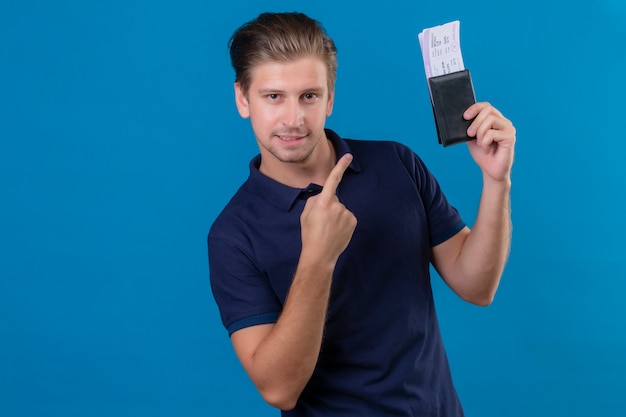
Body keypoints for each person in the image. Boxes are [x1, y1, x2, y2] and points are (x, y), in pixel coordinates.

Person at [208, 11, 515, 417]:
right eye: (273, 97)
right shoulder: (233, 235)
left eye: (309, 96)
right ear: (242, 99)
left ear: (330, 98)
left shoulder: (397, 164)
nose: (293, 119)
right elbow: (280, 389)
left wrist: (496, 183)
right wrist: (318, 257)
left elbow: (477, 286)